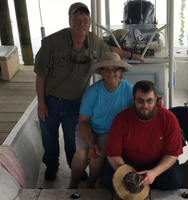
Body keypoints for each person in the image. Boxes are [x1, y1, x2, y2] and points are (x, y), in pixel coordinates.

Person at [34, 2, 143, 181]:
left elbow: (110, 50)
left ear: (90, 23)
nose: (81, 24)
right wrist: (41, 102)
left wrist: (132, 56)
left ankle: (74, 168)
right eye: (77, 20)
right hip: (50, 99)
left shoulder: (94, 41)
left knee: (70, 137)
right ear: (70, 21)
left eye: (85, 20)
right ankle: (51, 165)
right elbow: (40, 75)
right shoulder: (52, 43)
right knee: (49, 134)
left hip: (75, 101)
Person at [101, 80, 184, 191]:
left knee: (175, 180)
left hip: (157, 162)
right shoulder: (121, 119)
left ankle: (146, 184)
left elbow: (172, 154)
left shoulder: (169, 119)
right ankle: (144, 184)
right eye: (140, 101)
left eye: (149, 101)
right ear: (133, 100)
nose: (145, 105)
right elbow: (113, 154)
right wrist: (127, 173)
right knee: (106, 180)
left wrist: (154, 173)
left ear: (155, 100)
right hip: (127, 163)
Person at [68, 52, 133, 189]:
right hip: (88, 127)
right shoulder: (92, 92)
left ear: (120, 71)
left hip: (110, 131)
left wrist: (157, 104)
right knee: (81, 154)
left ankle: (90, 185)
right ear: (101, 72)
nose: (111, 73)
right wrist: (91, 143)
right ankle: (72, 185)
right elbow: (83, 121)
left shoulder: (129, 90)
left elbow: (140, 109)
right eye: (107, 69)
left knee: (98, 154)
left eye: (115, 69)